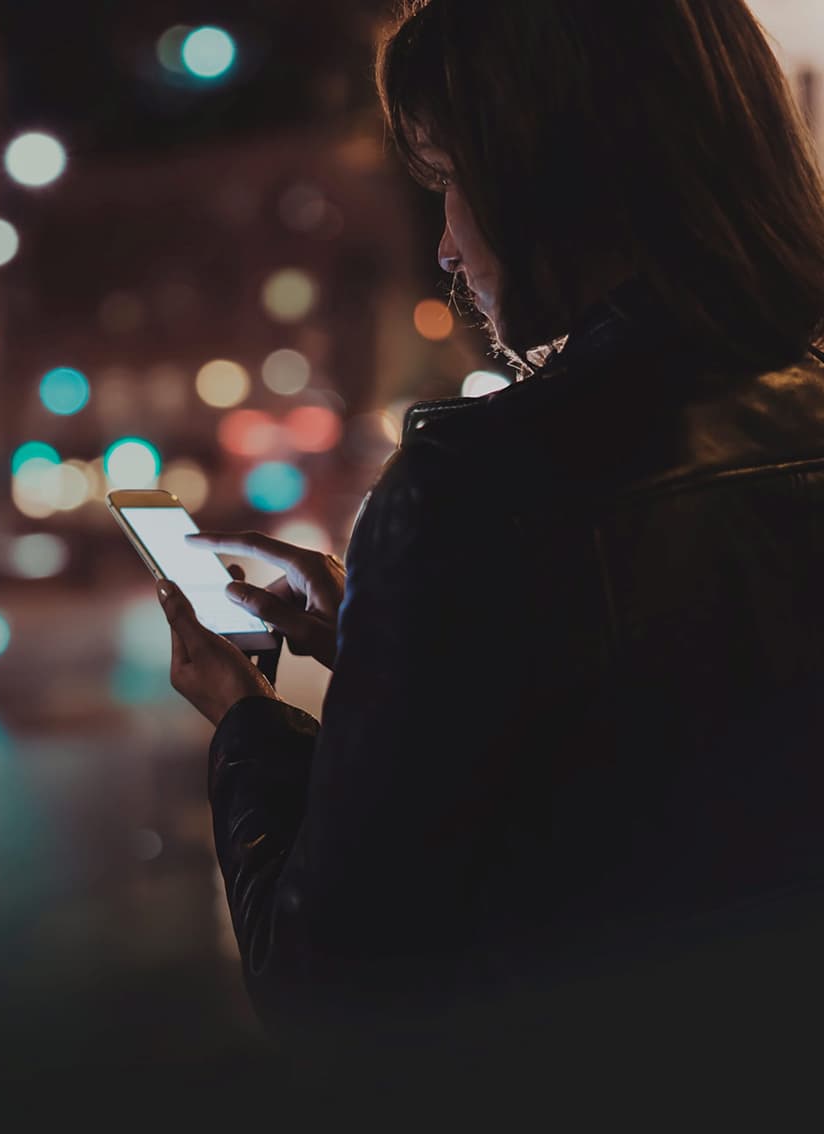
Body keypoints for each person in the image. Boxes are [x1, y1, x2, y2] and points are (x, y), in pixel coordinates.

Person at [156, 0, 824, 1111]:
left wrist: (246, 728)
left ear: (546, 179)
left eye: (451, 179)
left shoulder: (480, 484)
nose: (445, 245)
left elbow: (332, 981)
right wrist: (379, 635)